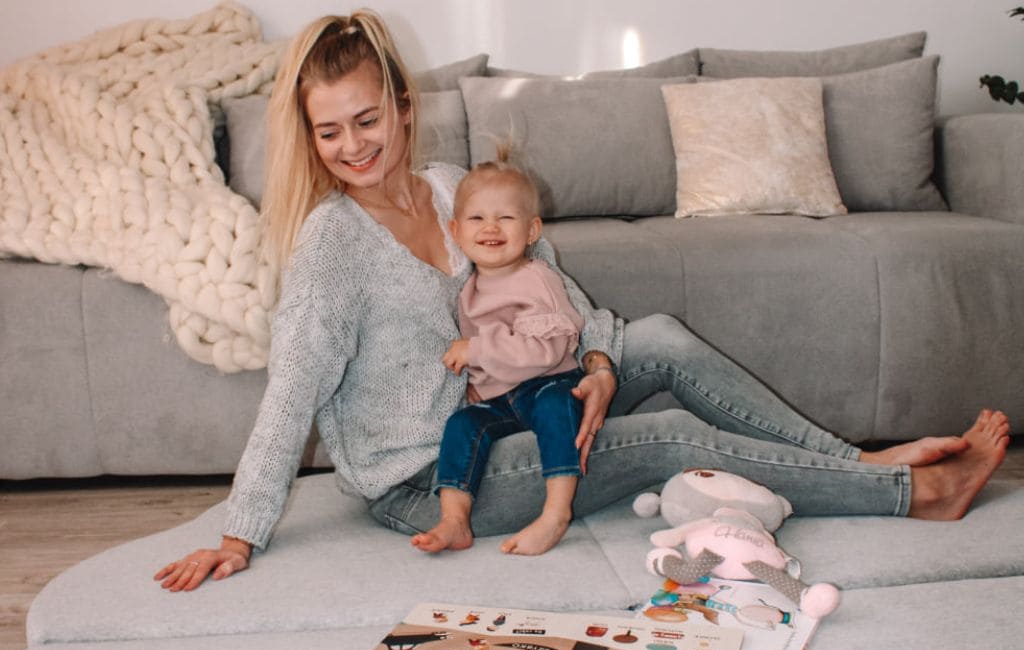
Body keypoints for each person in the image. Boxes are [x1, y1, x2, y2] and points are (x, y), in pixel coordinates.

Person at [155, 10, 1010, 593]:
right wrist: (241, 532)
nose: (353, 146)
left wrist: (599, 364)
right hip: (437, 474)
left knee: (661, 337)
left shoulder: (452, 189)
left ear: (403, 108)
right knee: (669, 438)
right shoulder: (333, 243)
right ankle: (914, 493)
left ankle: (856, 460)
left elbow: (558, 293)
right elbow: (293, 389)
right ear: (308, 136)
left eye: (366, 119)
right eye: (329, 130)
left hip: (527, 395)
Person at [412, 156, 586, 556]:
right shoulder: (468, 290)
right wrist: (477, 383)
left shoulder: (535, 279)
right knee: (462, 424)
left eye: (505, 218)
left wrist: (476, 350)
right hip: (503, 400)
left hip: (548, 382)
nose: (490, 228)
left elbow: (545, 351)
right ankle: (455, 518)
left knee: (556, 407)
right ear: (455, 231)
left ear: (532, 230)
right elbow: (487, 360)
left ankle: (556, 512)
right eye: (477, 218)